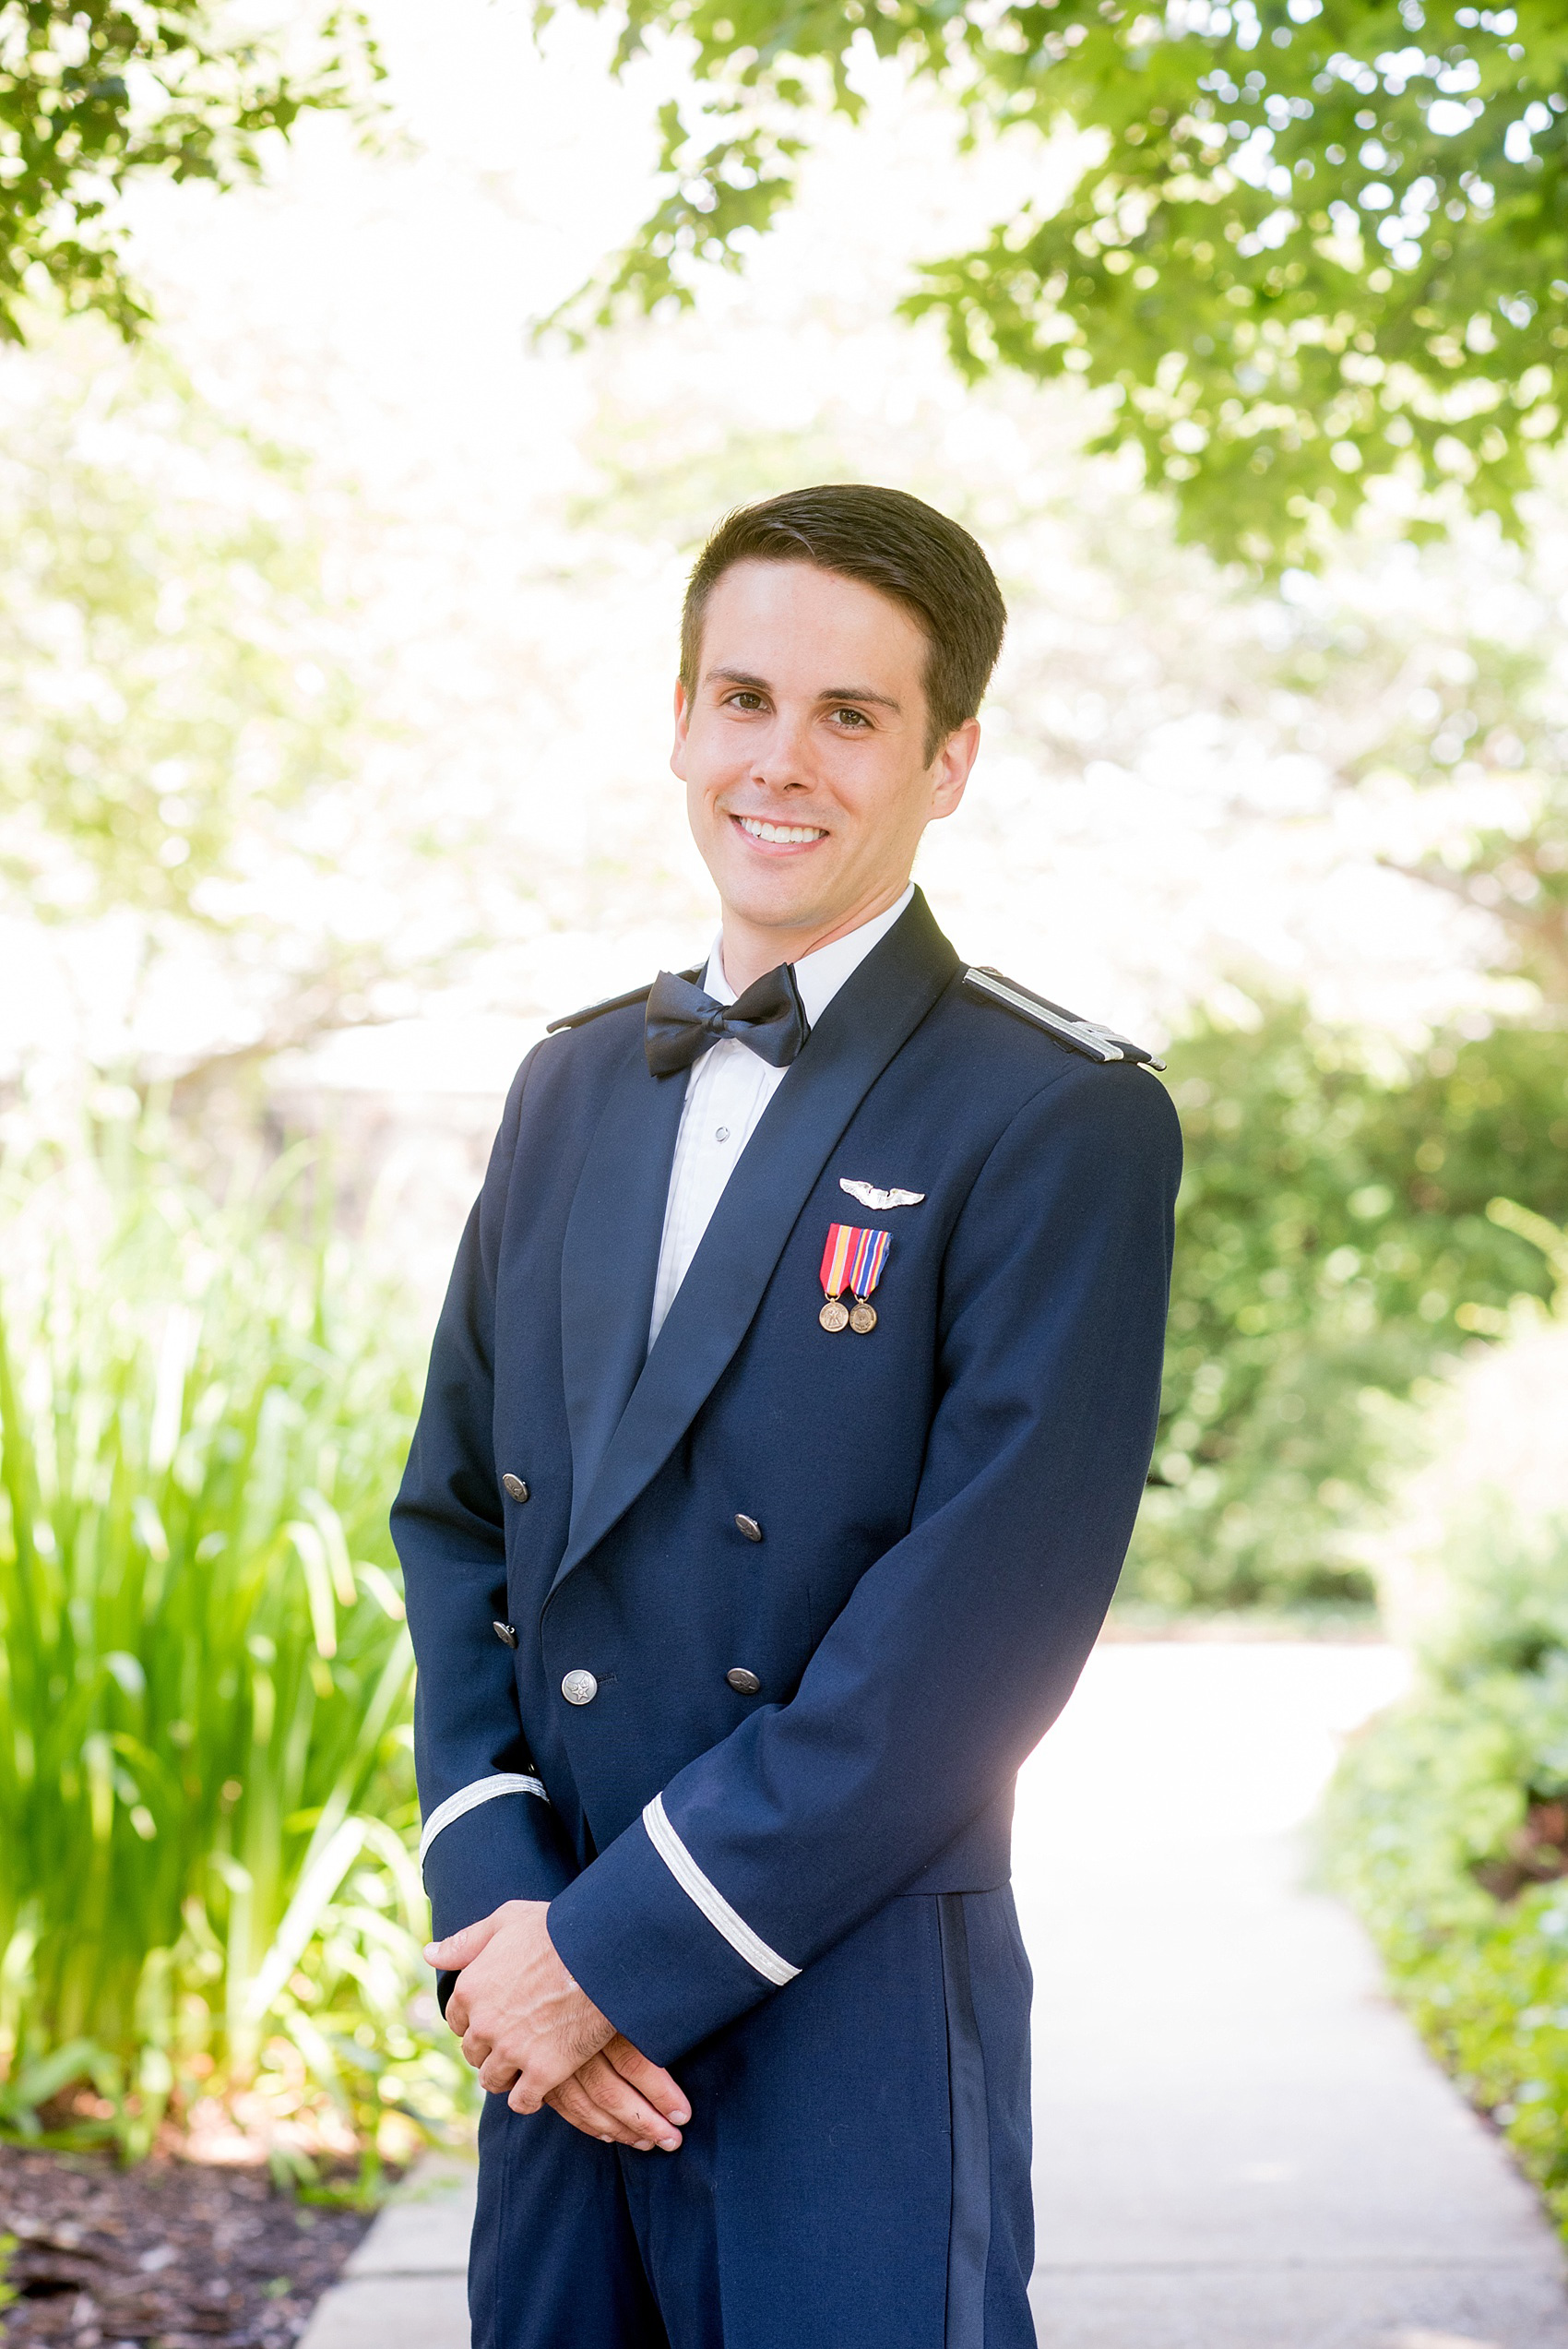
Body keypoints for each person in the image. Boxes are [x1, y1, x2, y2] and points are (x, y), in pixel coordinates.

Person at [394, 483, 1181, 2349]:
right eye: (743, 698)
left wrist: (619, 1958)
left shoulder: (1056, 1114)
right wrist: (511, 1918)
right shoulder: (568, 1084)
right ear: (679, 720)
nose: (780, 758)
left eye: (850, 715)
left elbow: (975, 1633)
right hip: (550, 2013)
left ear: (950, 759)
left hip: (851, 2011)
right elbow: (453, 1520)